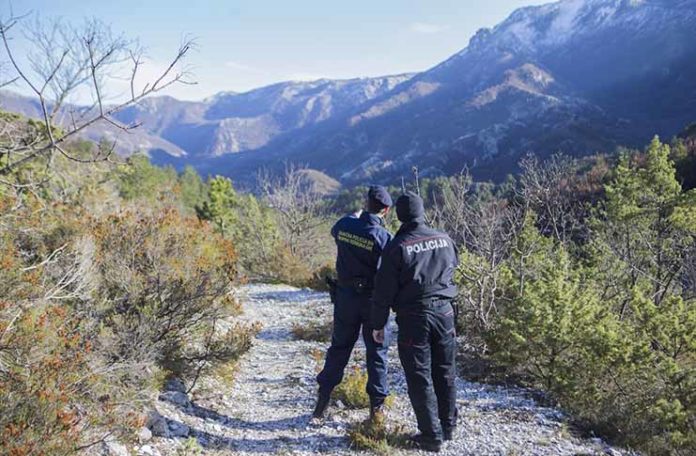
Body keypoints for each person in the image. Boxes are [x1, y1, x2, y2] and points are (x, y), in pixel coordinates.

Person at [371, 191, 458, 453]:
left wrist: (378, 325)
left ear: (399, 216)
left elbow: (383, 291)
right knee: (445, 370)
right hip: (445, 313)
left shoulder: (397, 247)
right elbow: (454, 267)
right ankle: (448, 425)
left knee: (420, 376)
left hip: (414, 317)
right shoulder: (444, 239)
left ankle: (431, 436)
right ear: (422, 211)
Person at [313, 185, 394, 420]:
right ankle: (376, 410)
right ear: (386, 211)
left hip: (345, 298)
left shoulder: (345, 226)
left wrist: (356, 215)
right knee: (377, 352)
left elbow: (337, 228)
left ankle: (323, 400)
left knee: (339, 348)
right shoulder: (384, 238)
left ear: (367, 204)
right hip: (373, 301)